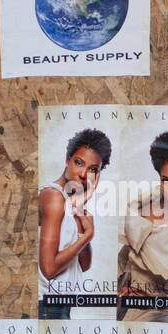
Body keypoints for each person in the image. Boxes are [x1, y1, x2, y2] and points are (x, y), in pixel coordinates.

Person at [117, 129, 168, 321]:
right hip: (120, 305)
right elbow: (125, 257)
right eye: (166, 180)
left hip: (155, 311)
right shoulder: (144, 203)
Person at [38, 128, 112, 320]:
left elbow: (83, 265)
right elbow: (49, 268)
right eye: (79, 163)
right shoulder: (53, 196)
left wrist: (80, 212)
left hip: (62, 305)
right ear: (67, 160)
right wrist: (88, 236)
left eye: (93, 169)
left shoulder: (71, 203)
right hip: (48, 305)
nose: (83, 173)